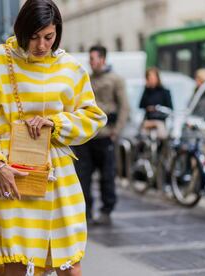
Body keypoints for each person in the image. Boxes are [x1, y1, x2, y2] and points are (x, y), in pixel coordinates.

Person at [0, 0, 106, 275]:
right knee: (18, 266)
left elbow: (94, 117)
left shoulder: (70, 67)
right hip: (12, 172)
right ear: (21, 31)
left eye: (48, 37)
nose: (41, 45)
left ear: (58, 33)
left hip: (59, 177)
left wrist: (55, 124)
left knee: (70, 267)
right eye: (34, 37)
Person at [73, 45, 129, 225]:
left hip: (105, 136)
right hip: (86, 137)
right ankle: (86, 212)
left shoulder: (115, 79)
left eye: (94, 58)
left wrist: (116, 131)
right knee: (83, 177)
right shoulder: (85, 79)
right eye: (90, 59)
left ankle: (107, 210)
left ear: (103, 59)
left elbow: (124, 107)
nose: (91, 62)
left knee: (107, 176)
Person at [139, 67, 173, 139]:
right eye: (149, 78)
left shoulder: (164, 91)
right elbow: (141, 105)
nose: (151, 80)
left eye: (153, 77)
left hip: (160, 120)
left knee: (162, 135)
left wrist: (157, 108)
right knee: (142, 135)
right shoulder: (147, 91)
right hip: (148, 120)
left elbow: (170, 108)